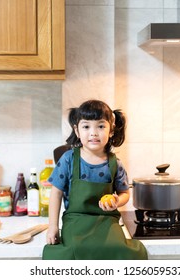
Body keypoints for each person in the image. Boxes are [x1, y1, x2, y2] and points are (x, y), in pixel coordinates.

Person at [42, 99, 148, 260]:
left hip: (106, 220)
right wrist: (52, 227)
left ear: (111, 130)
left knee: (118, 248)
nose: (93, 132)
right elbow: (56, 194)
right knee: (74, 249)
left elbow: (124, 193)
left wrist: (116, 201)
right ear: (77, 131)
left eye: (100, 126)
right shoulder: (68, 159)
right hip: (75, 219)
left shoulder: (115, 163)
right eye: (86, 126)